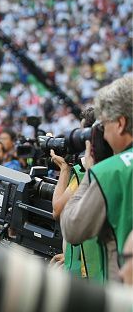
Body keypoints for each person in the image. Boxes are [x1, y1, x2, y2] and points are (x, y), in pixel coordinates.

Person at [61, 76, 133, 281]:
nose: (103, 135)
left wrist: (91, 173)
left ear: (120, 123)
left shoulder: (110, 172)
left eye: (104, 126)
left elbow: (72, 228)